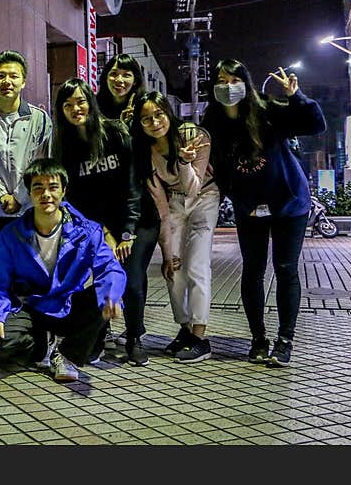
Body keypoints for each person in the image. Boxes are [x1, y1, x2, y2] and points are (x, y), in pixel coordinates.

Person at [202, 61, 326, 367]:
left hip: (289, 202)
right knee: (253, 270)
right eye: (221, 80)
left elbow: (314, 124)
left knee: (285, 268)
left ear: (246, 82)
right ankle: (258, 339)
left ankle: (285, 341)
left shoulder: (268, 111)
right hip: (249, 207)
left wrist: (297, 97)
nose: (228, 85)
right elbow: (214, 164)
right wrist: (233, 195)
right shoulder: (213, 121)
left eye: (234, 79)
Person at [0, 159, 126, 382]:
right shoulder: (12, 234)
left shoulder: (87, 231)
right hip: (31, 305)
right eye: (38, 187)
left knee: (104, 298)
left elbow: (109, 268)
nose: (46, 194)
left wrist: (112, 295)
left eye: (53, 187)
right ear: (29, 193)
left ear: (64, 191)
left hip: (68, 304)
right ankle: (43, 347)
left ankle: (66, 355)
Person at [54, 78, 153, 366]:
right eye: (68, 104)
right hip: (98, 227)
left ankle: (134, 338)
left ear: (91, 102)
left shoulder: (115, 132)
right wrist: (103, 234)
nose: (75, 108)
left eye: (81, 101)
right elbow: (74, 199)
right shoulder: (65, 146)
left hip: (136, 221)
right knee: (93, 279)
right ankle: (97, 335)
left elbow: (133, 185)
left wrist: (125, 232)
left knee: (131, 281)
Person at [131, 92, 219, 362]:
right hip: (173, 204)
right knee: (174, 268)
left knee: (197, 265)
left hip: (204, 197)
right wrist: (168, 253)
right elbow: (160, 204)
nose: (155, 122)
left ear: (169, 112)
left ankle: (200, 336)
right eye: (146, 119)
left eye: (159, 114)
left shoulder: (194, 135)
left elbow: (193, 187)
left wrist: (183, 161)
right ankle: (185, 329)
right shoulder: (145, 151)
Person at [0, 50, 52, 242]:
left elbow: (41, 164)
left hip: (31, 210)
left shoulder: (39, 119)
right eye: (1, 76)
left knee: (30, 268)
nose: (7, 81)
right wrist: (2, 196)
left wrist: (19, 198)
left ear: (23, 81)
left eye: (14, 76)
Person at [96, 53, 146, 125]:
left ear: (135, 81)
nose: (119, 80)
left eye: (126, 75)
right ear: (106, 77)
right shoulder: (95, 105)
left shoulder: (144, 106)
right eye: (113, 73)